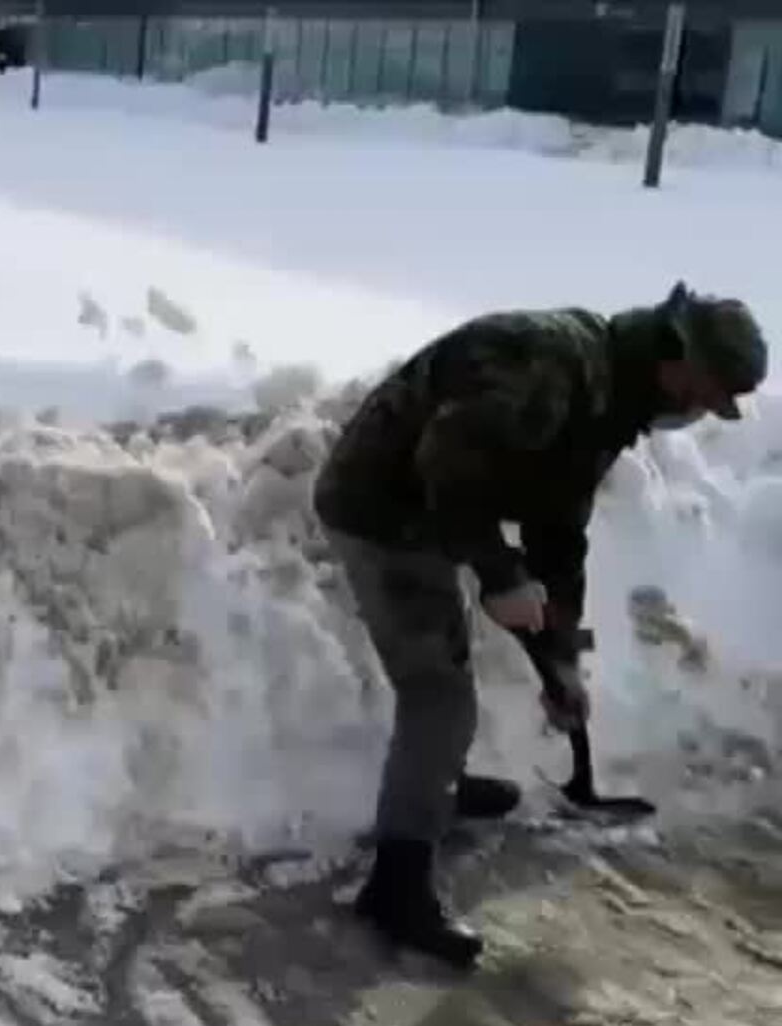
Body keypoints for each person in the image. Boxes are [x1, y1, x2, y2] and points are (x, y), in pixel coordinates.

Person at [312, 282, 767, 968]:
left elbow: (559, 532)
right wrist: (499, 576)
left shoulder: (612, 396)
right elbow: (445, 466)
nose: (697, 412)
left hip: (429, 509)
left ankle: (437, 784)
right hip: (379, 505)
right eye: (702, 393)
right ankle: (395, 887)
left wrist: (560, 656)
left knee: (449, 658)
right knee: (438, 692)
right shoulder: (554, 370)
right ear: (676, 355)